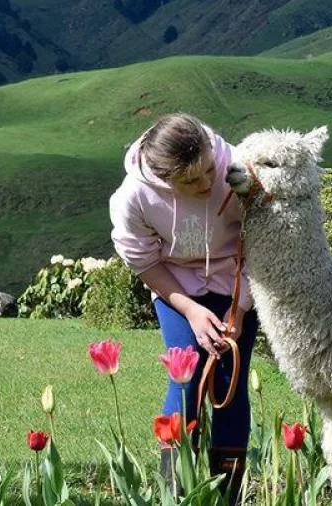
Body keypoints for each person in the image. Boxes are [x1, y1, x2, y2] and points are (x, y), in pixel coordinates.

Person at [109, 113, 257, 503]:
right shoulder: (133, 198)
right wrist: (190, 310)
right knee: (185, 377)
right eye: (191, 181)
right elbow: (143, 261)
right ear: (163, 178)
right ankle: (177, 493)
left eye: (209, 170)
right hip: (175, 287)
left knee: (230, 383)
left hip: (238, 284)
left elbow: (265, 239)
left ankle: (230, 496)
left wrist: (240, 310)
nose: (208, 183)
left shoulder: (238, 167)